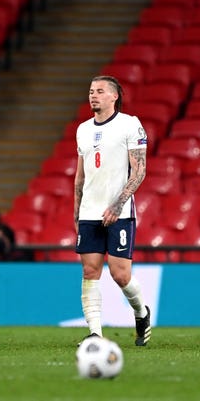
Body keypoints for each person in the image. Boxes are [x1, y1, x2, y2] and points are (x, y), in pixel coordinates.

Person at [74, 75, 151, 346]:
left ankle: (141, 313)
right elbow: (80, 177)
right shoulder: (82, 129)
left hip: (120, 212)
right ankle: (95, 333)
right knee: (90, 271)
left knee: (120, 275)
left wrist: (118, 204)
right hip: (89, 212)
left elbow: (139, 169)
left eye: (100, 91)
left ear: (114, 96)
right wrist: (77, 213)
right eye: (91, 90)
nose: (93, 95)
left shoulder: (130, 124)